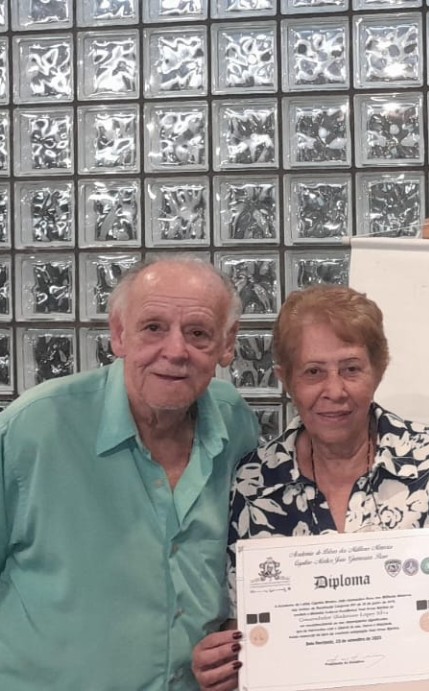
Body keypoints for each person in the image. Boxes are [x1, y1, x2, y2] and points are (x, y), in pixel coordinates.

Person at [192, 285, 429, 691]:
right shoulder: (255, 482)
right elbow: (245, 619)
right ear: (286, 380)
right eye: (313, 372)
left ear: (378, 371)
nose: (335, 391)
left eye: (351, 369)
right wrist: (227, 663)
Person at [0, 256, 260, 689]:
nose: (175, 351)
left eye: (198, 333)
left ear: (227, 344)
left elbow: (242, 566)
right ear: (119, 334)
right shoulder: (34, 429)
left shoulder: (236, 423)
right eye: (153, 328)